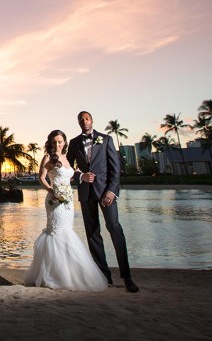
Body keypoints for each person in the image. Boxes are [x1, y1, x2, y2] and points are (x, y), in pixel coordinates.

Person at [24, 129, 109, 291]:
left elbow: (70, 176)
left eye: (60, 141)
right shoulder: (47, 157)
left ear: (64, 143)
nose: (57, 144)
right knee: (56, 232)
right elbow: (41, 177)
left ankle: (67, 273)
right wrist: (51, 191)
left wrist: (81, 176)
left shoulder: (66, 158)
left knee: (67, 231)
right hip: (54, 201)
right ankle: (53, 275)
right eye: (54, 142)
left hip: (68, 201)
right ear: (50, 143)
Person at [67, 111, 139, 293]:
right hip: (86, 193)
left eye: (87, 118)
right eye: (81, 119)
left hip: (106, 193)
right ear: (78, 122)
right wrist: (81, 175)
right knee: (92, 234)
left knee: (115, 228)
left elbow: (115, 168)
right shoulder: (74, 143)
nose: (84, 121)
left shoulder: (106, 139)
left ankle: (127, 276)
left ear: (92, 120)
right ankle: (104, 275)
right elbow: (68, 168)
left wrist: (111, 192)